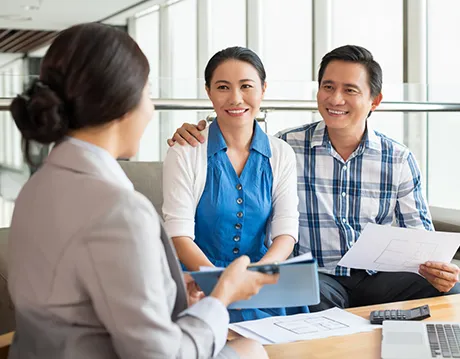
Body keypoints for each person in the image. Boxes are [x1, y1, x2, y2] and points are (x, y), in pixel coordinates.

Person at [7, 23, 277, 359]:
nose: (151, 110)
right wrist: (222, 296)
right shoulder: (118, 210)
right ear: (122, 103)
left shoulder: (35, 187)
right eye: (147, 93)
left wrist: (171, 287)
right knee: (253, 351)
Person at [167, 44, 460, 311]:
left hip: (378, 278)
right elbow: (236, 134)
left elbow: (422, 240)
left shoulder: (397, 158)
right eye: (328, 87)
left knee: (452, 289)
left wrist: (440, 270)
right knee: (306, 295)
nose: (335, 99)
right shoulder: (285, 147)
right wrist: (194, 130)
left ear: (375, 100)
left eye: (350, 90)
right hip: (320, 277)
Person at [162, 46, 308, 323]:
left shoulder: (281, 153)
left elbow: (286, 232)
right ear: (208, 91)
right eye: (223, 87)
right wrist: (225, 285)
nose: (235, 98)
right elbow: (178, 235)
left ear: (263, 89)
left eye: (246, 86)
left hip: (260, 281)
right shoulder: (184, 151)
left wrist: (256, 276)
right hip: (199, 283)